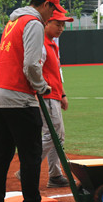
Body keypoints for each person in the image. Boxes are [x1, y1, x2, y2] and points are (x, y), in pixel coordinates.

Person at [0, 0, 65, 202]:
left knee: (1, 153)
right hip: (18, 95)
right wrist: (41, 86)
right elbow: (31, 64)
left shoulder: (13, 22)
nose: (53, 16)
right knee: (31, 153)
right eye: (53, 10)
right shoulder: (34, 23)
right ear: (46, 5)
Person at [17, 10, 74, 188]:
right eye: (58, 24)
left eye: (63, 25)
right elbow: (34, 69)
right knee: (54, 134)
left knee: (58, 136)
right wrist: (40, 90)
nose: (61, 28)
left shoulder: (52, 44)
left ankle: (55, 175)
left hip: (54, 95)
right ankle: (27, 168)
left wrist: (62, 94)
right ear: (46, 23)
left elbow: (56, 72)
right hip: (46, 95)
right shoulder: (40, 44)